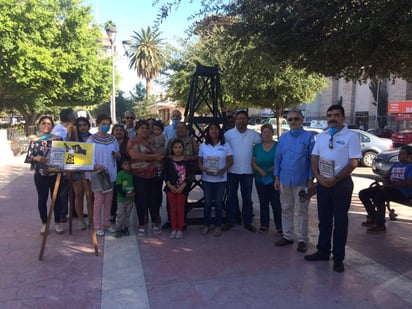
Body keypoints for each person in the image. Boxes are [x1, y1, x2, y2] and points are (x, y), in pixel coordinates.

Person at [305, 105, 361, 273]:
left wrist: (336, 178)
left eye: (336, 115)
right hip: (323, 184)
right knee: (324, 220)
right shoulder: (321, 136)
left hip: (341, 185)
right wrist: (318, 177)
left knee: (341, 222)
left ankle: (338, 258)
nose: (332, 118)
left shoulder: (351, 136)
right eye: (329, 115)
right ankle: (323, 251)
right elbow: (314, 158)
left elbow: (353, 162)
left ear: (343, 117)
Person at [274, 110, 315, 252]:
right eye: (290, 119)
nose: (292, 122)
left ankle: (303, 239)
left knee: (302, 211)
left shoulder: (309, 137)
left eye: (296, 119)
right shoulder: (283, 138)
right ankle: (287, 236)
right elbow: (278, 158)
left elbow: (312, 160)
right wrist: (276, 177)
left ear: (302, 119)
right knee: (286, 209)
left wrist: (311, 179)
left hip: (302, 181)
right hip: (285, 180)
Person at [24, 115, 64, 234]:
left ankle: (57, 223)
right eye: (44, 123)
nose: (46, 126)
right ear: (39, 125)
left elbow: (62, 156)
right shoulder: (34, 140)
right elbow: (29, 157)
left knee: (56, 198)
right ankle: (44, 223)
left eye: (49, 124)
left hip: (55, 174)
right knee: (42, 199)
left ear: (52, 126)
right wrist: (36, 158)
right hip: (40, 174)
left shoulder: (58, 139)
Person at [359, 145, 412, 233]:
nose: (399, 155)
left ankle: (380, 225)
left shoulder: (410, 167)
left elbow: (407, 183)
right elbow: (386, 176)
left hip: (402, 192)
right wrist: (385, 181)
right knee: (364, 193)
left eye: (402, 153)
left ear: (410, 156)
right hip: (389, 188)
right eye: (399, 153)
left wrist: (390, 183)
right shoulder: (396, 164)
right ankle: (373, 217)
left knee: (379, 197)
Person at [224, 110, 262, 232]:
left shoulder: (254, 135)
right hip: (232, 171)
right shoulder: (228, 135)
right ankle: (231, 221)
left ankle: (247, 222)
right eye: (239, 118)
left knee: (247, 198)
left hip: (248, 171)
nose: (241, 121)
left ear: (247, 120)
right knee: (231, 198)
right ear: (236, 121)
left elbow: (263, 146)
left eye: (244, 118)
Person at [127, 120, 164, 236]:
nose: (144, 130)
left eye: (146, 128)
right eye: (142, 128)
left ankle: (154, 222)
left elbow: (161, 154)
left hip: (154, 176)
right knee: (141, 200)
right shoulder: (133, 141)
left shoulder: (152, 141)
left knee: (154, 200)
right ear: (136, 130)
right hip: (139, 176)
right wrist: (153, 157)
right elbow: (135, 155)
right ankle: (141, 223)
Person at [87, 114, 121, 237]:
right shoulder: (91, 140)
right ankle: (97, 225)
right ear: (98, 125)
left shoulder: (112, 139)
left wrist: (117, 155)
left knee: (108, 200)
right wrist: (95, 165)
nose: (106, 126)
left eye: (108, 124)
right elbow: (87, 157)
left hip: (110, 173)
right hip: (97, 173)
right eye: (103, 124)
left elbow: (118, 154)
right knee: (98, 200)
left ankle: (106, 223)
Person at [198, 122, 233, 237]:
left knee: (218, 202)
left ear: (219, 131)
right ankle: (206, 224)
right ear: (208, 131)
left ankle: (218, 225)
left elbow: (230, 160)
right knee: (207, 202)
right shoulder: (203, 145)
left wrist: (222, 170)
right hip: (207, 178)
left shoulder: (225, 145)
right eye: (211, 129)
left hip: (221, 179)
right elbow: (199, 160)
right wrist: (202, 167)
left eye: (216, 129)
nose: (213, 131)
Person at [252, 123, 282, 234]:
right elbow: (253, 162)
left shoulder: (278, 145)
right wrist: (260, 171)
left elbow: (282, 159)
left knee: (276, 203)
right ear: (261, 134)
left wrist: (276, 167)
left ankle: (280, 226)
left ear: (272, 133)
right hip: (260, 179)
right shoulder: (257, 147)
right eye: (264, 132)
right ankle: (264, 225)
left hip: (275, 180)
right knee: (263, 203)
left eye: (269, 132)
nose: (267, 134)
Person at [163, 139, 194, 239]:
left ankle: (180, 228)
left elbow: (190, 175)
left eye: (180, 147)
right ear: (172, 149)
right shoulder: (168, 161)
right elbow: (165, 174)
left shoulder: (187, 161)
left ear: (183, 149)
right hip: (171, 188)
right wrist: (170, 186)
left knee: (180, 209)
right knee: (173, 209)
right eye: (175, 147)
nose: (177, 149)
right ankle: (173, 228)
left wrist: (183, 186)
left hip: (182, 189)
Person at [51, 108, 76, 222]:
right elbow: (63, 145)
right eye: (73, 115)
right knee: (63, 191)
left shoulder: (68, 128)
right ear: (69, 117)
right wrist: (69, 133)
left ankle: (73, 211)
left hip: (72, 162)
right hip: (62, 165)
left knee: (71, 190)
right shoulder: (59, 130)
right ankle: (62, 213)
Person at [69, 117, 92, 230]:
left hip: (89, 171)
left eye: (85, 125)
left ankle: (91, 219)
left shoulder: (93, 138)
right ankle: (81, 220)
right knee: (79, 194)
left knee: (90, 196)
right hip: (77, 170)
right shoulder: (72, 138)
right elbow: (69, 153)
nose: (83, 127)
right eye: (80, 125)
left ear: (88, 125)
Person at [110, 124, 130, 224]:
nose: (118, 132)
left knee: (125, 192)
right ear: (113, 132)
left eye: (120, 130)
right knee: (113, 194)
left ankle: (125, 216)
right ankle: (112, 214)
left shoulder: (128, 142)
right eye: (116, 130)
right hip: (113, 172)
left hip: (126, 172)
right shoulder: (109, 142)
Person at [114, 158, 135, 237]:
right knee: (120, 214)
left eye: (129, 164)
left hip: (130, 199)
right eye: (125, 164)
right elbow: (118, 187)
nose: (128, 166)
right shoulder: (120, 174)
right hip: (122, 199)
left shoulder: (132, 174)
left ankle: (125, 228)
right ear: (121, 166)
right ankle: (118, 228)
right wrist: (125, 194)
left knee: (127, 214)